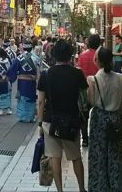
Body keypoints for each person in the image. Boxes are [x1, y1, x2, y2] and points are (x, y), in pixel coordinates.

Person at [37, 39, 88, 192]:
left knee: (55, 158)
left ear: (54, 55)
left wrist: (40, 123)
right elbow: (84, 98)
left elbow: (40, 101)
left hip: (50, 121)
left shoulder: (46, 75)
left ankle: (60, 190)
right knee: (76, 157)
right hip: (71, 122)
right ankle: (81, 188)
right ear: (70, 55)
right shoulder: (77, 74)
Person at [87, 47, 122, 192]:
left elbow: (91, 102)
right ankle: (117, 185)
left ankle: (99, 186)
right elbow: (121, 102)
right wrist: (120, 120)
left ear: (97, 61)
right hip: (115, 117)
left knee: (98, 154)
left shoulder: (93, 80)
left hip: (99, 119)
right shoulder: (119, 78)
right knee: (115, 153)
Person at [76, 34, 101, 147]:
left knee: (84, 115)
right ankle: (96, 136)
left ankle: (85, 139)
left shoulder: (82, 56)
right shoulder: (101, 56)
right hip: (99, 88)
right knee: (98, 113)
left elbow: (79, 72)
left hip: (84, 89)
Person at [9, 39, 41, 123]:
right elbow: (38, 72)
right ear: (32, 48)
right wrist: (39, 82)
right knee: (31, 98)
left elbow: (12, 69)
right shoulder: (36, 58)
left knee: (22, 98)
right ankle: (30, 117)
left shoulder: (19, 58)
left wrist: (11, 78)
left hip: (22, 82)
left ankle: (22, 117)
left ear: (23, 47)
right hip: (31, 82)